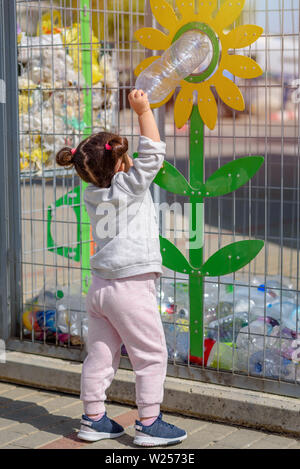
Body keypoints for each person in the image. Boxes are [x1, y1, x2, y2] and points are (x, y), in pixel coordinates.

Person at [55, 89, 187, 447]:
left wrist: (117, 160)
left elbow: (137, 159)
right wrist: (144, 110)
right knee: (150, 354)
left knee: (100, 355)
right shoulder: (128, 187)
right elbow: (154, 151)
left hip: (100, 288)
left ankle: (93, 418)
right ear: (118, 165)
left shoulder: (91, 194)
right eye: (123, 156)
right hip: (131, 287)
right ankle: (149, 422)